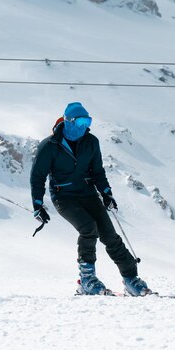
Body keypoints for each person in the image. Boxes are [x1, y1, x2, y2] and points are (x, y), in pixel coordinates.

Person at [30, 102, 151, 296]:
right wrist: (37, 204)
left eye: (88, 122)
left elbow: (98, 171)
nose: (84, 126)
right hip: (64, 197)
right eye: (80, 122)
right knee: (88, 228)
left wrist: (106, 193)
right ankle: (87, 280)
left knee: (110, 236)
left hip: (87, 194)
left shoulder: (91, 142)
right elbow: (37, 177)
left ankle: (131, 279)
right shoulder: (49, 146)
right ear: (69, 122)